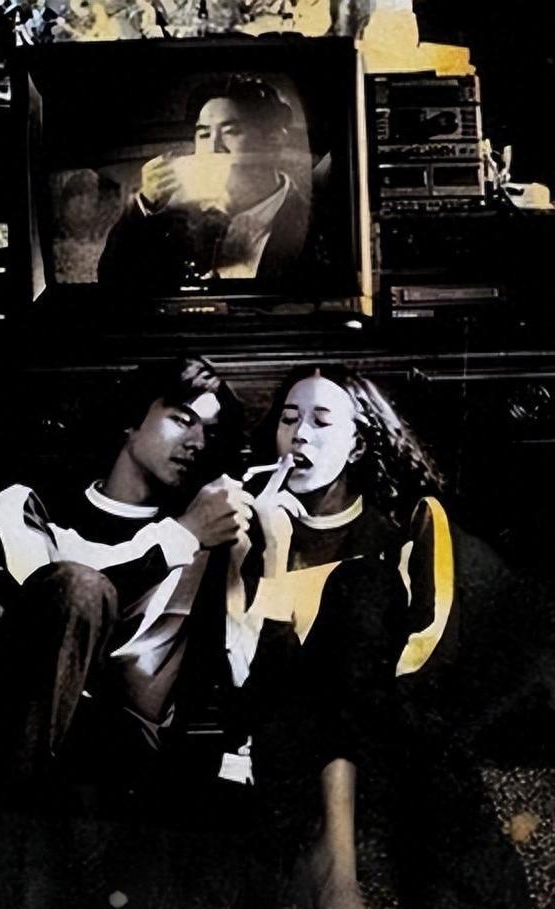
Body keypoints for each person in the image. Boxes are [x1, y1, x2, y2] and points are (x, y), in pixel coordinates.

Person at [221, 364, 537, 909]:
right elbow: (245, 682)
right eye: (289, 419)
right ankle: (337, 871)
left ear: (358, 445)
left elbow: (416, 675)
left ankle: (345, 869)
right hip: (285, 743)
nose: (299, 435)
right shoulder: (245, 537)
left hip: (384, 744)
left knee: (364, 585)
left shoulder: (394, 538)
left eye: (321, 421)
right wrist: (271, 554)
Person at [0, 356, 254, 801]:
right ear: (132, 420)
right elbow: (54, 614)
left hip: (120, 755)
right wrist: (179, 538)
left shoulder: (210, 537)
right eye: (182, 419)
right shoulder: (32, 504)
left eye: (208, 432)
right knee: (80, 587)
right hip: (8, 729)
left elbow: (240, 651)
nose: (196, 442)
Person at [97, 75, 317, 288]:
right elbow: (114, 281)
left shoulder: (314, 223)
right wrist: (145, 204)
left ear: (273, 140)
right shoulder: (172, 219)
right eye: (204, 135)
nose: (213, 148)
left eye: (231, 132)